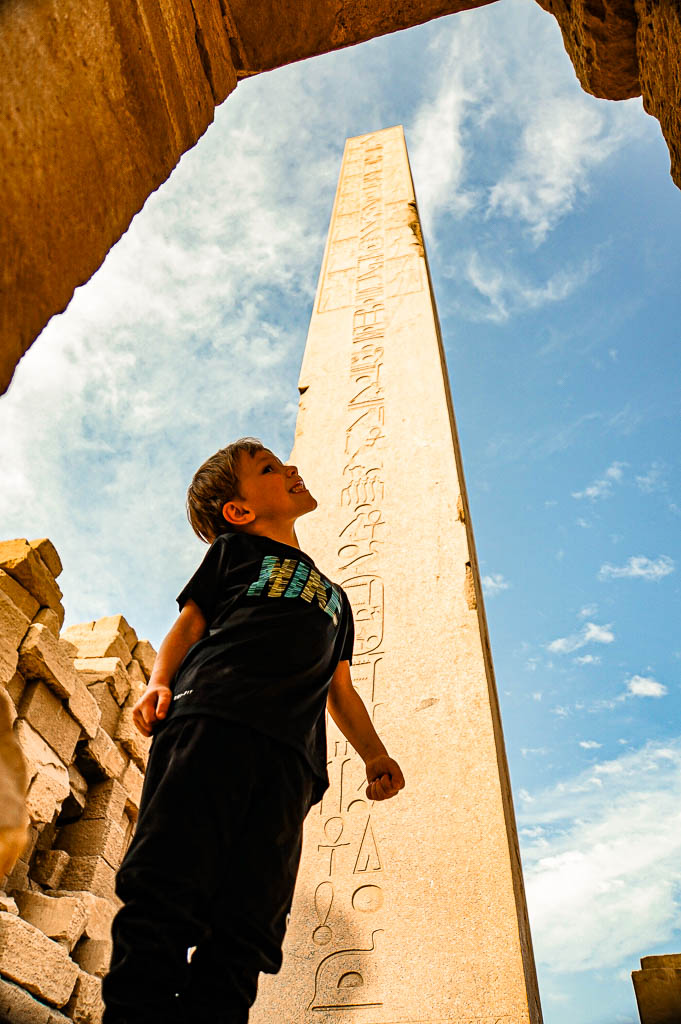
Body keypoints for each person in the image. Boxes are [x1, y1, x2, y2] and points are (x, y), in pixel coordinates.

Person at [102, 437, 405, 1024]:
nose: (291, 466)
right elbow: (189, 624)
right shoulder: (234, 554)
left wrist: (374, 754)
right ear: (238, 512)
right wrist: (159, 680)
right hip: (210, 720)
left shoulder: (336, 600)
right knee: (164, 890)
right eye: (269, 468)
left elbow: (338, 691)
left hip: (291, 764)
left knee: (249, 924)